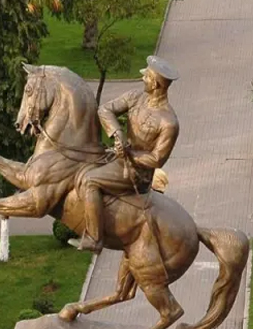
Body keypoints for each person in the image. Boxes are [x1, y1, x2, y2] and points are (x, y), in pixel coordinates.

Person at [76, 55, 180, 253]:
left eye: (146, 77)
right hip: (118, 157)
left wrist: (129, 153)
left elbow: (157, 159)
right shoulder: (135, 97)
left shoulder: (169, 122)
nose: (142, 79)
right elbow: (105, 109)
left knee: (89, 180)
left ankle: (94, 238)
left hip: (136, 173)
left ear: (156, 84)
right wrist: (117, 133)